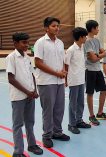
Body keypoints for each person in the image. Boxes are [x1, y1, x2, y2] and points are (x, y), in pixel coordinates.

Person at [34, 17, 70, 148]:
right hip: (46, 82)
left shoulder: (60, 43)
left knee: (59, 109)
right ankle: (47, 135)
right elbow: (38, 63)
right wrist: (56, 73)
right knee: (48, 110)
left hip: (59, 81)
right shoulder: (40, 43)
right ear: (46, 28)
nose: (57, 28)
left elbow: (62, 61)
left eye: (58, 26)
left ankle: (57, 132)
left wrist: (63, 75)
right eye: (54, 26)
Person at [6, 32, 43, 157]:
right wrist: (27, 92)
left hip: (30, 96)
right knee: (18, 124)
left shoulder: (27, 58)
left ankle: (32, 145)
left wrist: (34, 90)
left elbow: (32, 75)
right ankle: (18, 151)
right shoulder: (11, 58)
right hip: (18, 97)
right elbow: (11, 79)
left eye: (27, 42)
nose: (26, 45)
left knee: (30, 121)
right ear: (15, 43)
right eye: (23, 42)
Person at [84, 20, 106, 126]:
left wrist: (98, 55)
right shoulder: (87, 41)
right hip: (89, 70)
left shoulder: (97, 40)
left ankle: (100, 113)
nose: (98, 30)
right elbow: (93, 59)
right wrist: (100, 55)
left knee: (104, 90)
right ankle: (91, 116)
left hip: (97, 69)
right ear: (92, 29)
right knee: (90, 93)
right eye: (97, 28)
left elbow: (104, 53)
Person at [65, 27, 91, 134]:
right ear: (80, 37)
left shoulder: (82, 48)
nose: (86, 38)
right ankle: (71, 124)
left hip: (81, 79)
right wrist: (65, 80)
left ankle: (79, 120)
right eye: (85, 36)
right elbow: (65, 65)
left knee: (80, 102)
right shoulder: (71, 50)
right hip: (74, 80)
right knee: (73, 103)